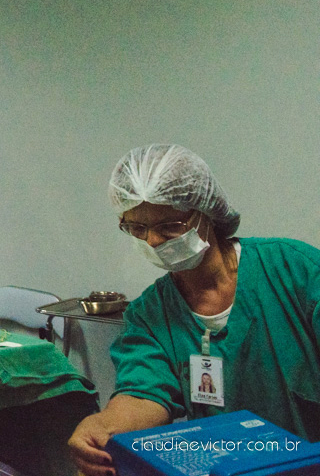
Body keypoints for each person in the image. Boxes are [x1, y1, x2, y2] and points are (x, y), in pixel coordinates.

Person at [68, 143, 320, 476]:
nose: (154, 242)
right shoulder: (150, 314)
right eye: (138, 229)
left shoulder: (295, 271)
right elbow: (145, 393)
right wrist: (105, 425)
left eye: (169, 226)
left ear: (207, 213)